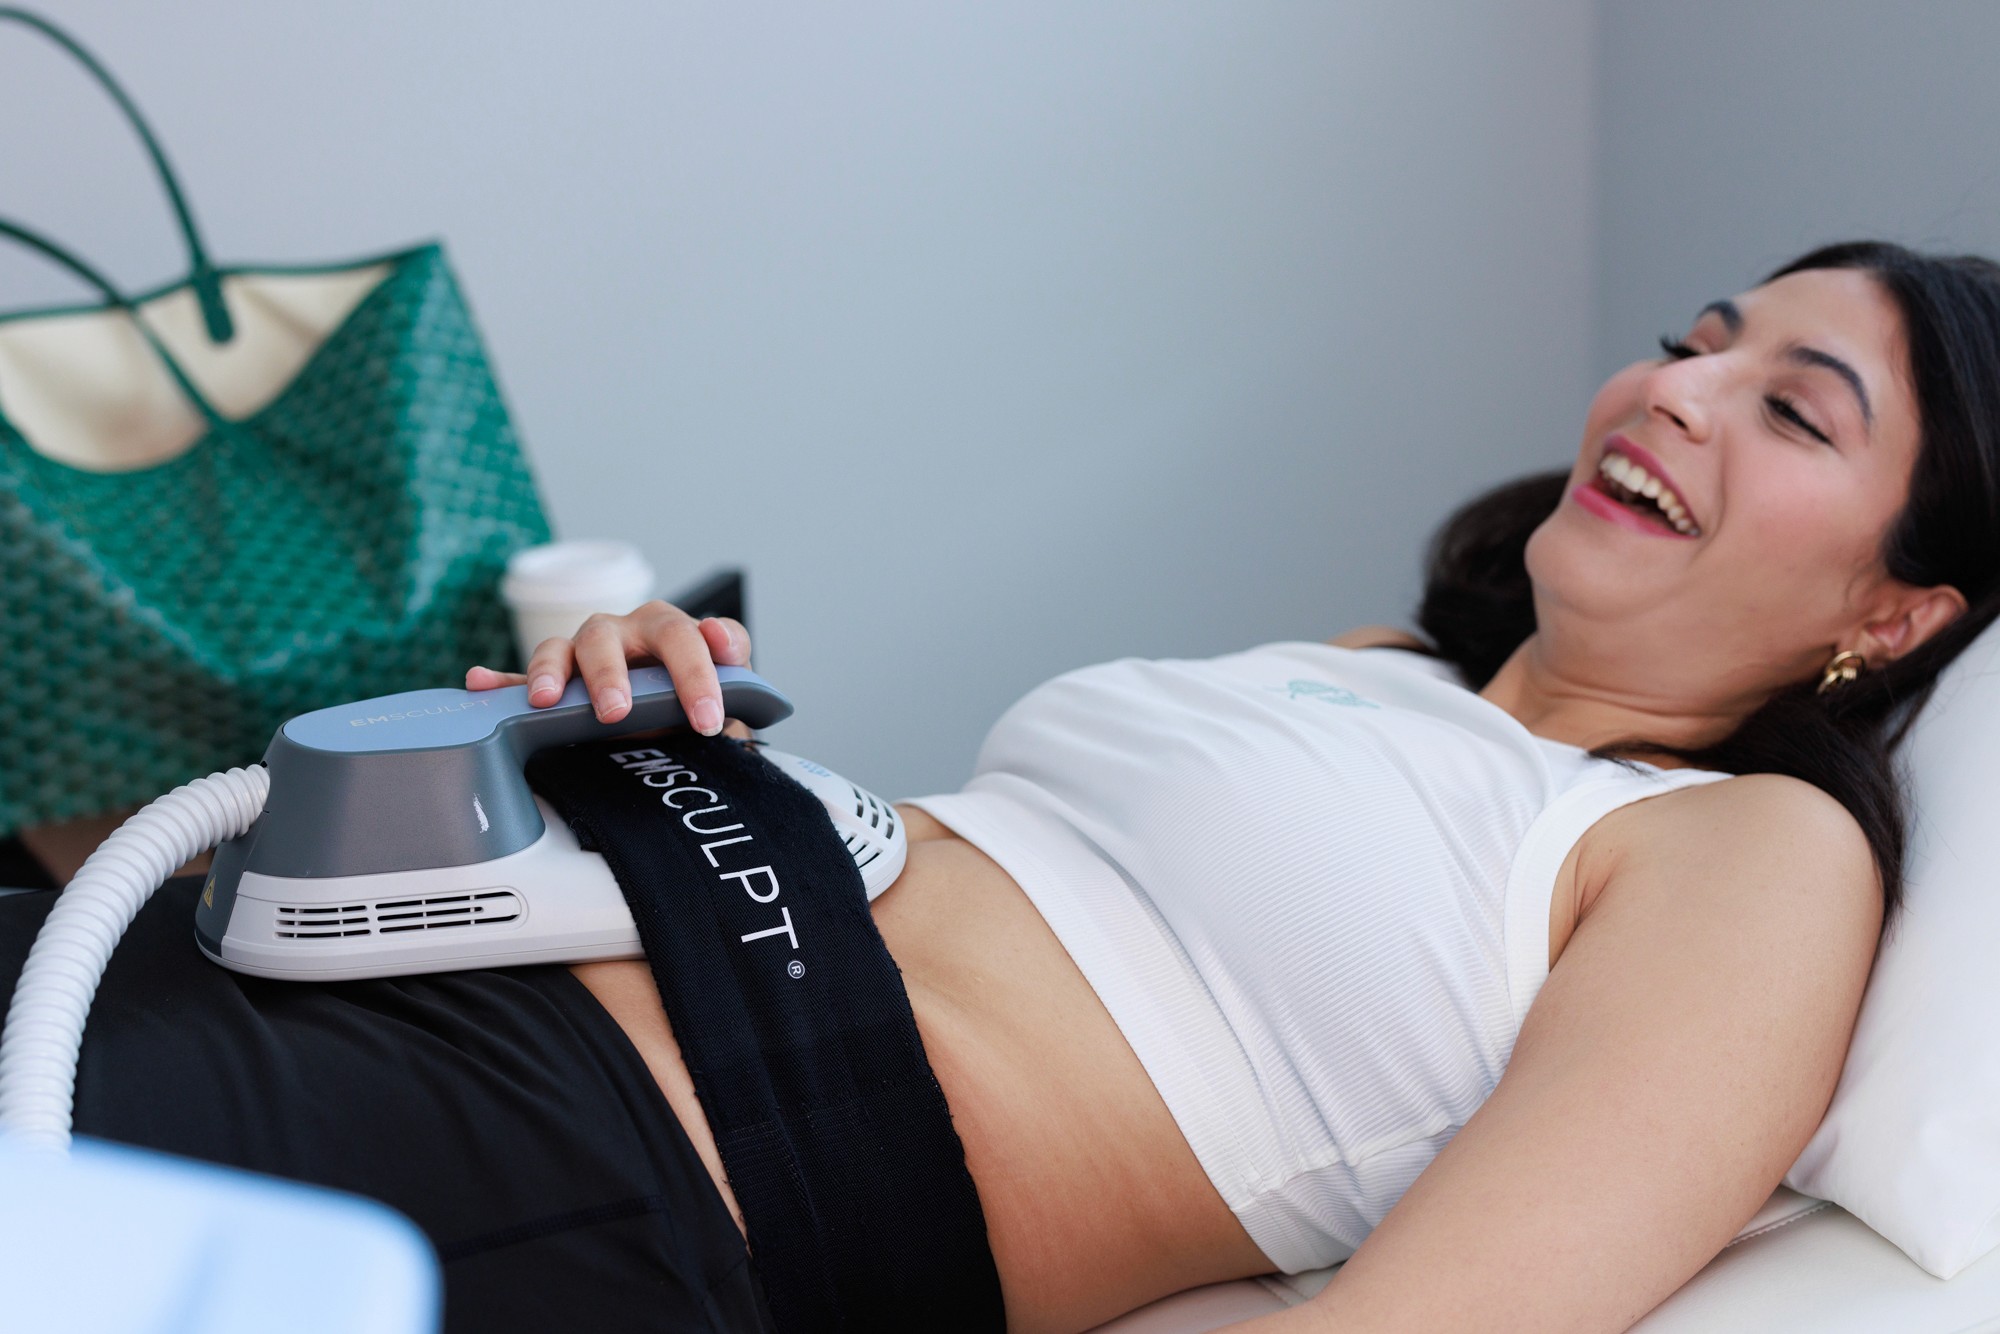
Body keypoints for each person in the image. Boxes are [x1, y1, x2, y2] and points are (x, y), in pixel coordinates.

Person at [6, 239, 1999, 1334]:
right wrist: (641, 708)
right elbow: (983, 880)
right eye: (1694, 339)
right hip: (434, 949)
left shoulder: (1747, 854)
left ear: (1902, 609)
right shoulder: (1382, 673)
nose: (1670, 387)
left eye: (1789, 406)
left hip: (634, 1161)